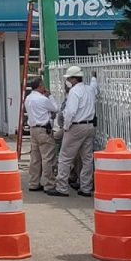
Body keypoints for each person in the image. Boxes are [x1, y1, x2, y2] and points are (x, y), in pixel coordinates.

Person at [49, 65, 98, 197]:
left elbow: (70, 112)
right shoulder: (89, 89)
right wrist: (94, 77)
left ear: (74, 79)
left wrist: (66, 127)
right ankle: (85, 188)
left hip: (76, 127)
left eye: (69, 79)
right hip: (89, 126)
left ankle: (62, 188)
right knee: (87, 159)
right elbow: (94, 86)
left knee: (65, 157)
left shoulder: (74, 92)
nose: (68, 81)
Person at [23, 76, 59, 192]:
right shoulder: (43, 99)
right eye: (43, 85)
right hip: (44, 130)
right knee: (48, 157)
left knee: (35, 158)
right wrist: (50, 96)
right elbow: (55, 108)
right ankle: (50, 184)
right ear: (40, 86)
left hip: (33, 129)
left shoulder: (28, 98)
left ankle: (34, 182)